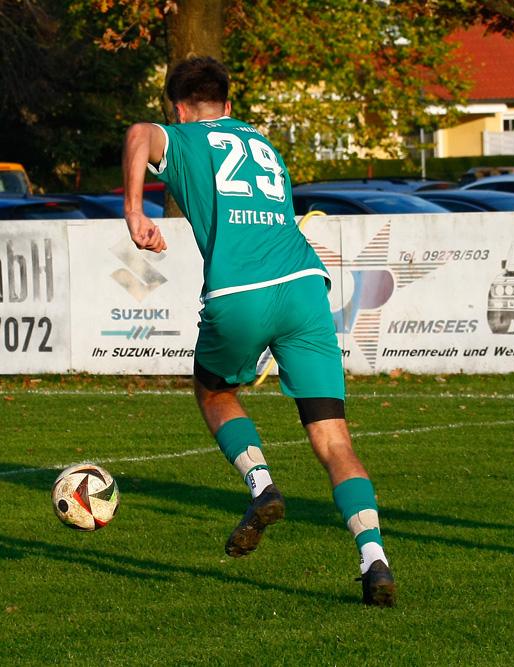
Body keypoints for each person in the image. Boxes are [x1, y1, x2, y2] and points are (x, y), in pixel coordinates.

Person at [121, 56, 396, 606]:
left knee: (213, 389)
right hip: (304, 289)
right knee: (334, 439)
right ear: (228, 105)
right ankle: (374, 558)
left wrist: (134, 209)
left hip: (239, 292)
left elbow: (138, 134)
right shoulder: (263, 143)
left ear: (179, 108)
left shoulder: (180, 137)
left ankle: (261, 484)